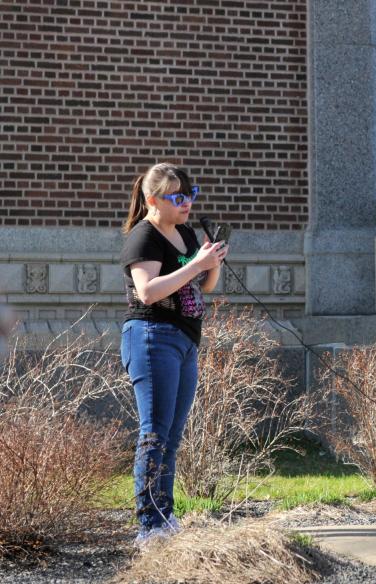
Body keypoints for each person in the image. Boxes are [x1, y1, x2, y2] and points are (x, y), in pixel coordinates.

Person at [119, 163, 228, 545]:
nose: (187, 204)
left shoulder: (183, 232)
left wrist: (210, 261)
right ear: (153, 200)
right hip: (152, 337)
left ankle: (165, 516)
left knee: (173, 436)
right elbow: (148, 291)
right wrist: (196, 264)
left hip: (184, 341)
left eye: (190, 194)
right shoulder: (143, 238)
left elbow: (205, 285)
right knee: (155, 434)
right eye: (177, 197)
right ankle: (149, 525)